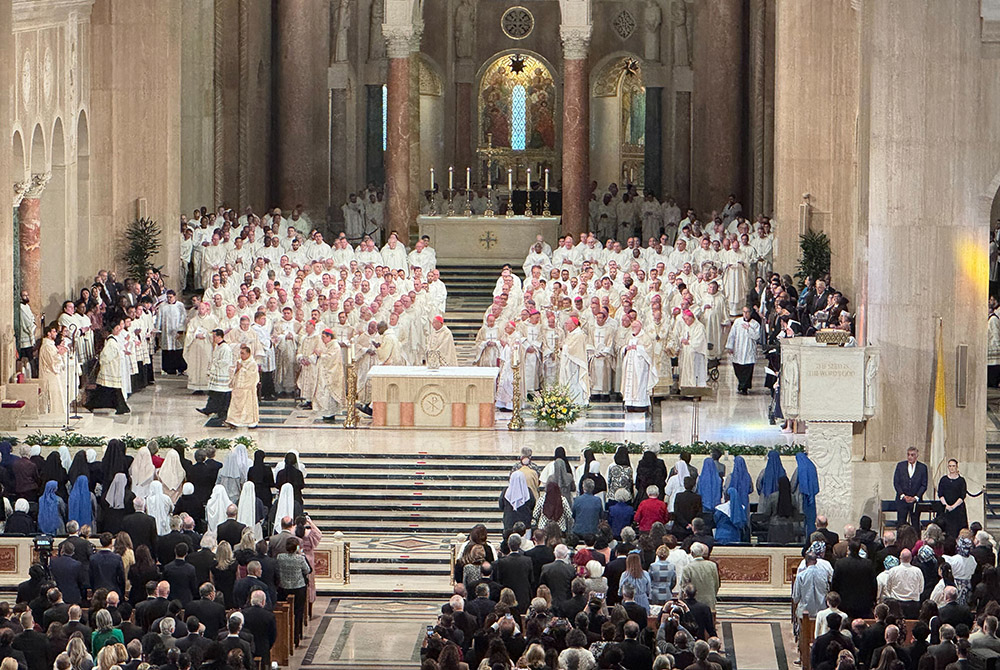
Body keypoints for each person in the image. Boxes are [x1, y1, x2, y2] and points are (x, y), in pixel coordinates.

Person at [84, 318, 129, 414]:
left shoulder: (112, 341)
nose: (119, 329)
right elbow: (105, 357)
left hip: (112, 369)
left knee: (108, 390)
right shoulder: (111, 342)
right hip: (109, 370)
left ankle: (93, 404)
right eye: (117, 328)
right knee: (108, 390)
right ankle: (119, 407)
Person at [275, 538, 311, 643]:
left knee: (284, 612)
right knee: (298, 612)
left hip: (284, 587)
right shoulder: (300, 558)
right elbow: (308, 570)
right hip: (298, 588)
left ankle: (285, 634)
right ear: (296, 547)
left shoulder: (280, 557)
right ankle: (297, 635)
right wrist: (301, 554)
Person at [199, 330, 233, 423]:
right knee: (214, 393)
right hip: (217, 373)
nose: (213, 338)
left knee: (221, 394)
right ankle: (209, 409)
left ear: (219, 337)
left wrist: (214, 364)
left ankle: (220, 412)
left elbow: (225, 361)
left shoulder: (225, 348)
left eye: (214, 336)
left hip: (222, 373)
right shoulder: (218, 346)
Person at [725, 306, 760, 395]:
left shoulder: (755, 324)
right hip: (739, 348)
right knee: (738, 367)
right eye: (744, 312)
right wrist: (730, 346)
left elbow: (756, 336)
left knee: (747, 369)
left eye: (747, 312)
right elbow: (732, 334)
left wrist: (749, 329)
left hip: (749, 349)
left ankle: (744, 387)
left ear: (750, 313)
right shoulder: (737, 322)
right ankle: (741, 383)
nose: (746, 314)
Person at [893, 447, 928, 529]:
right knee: (901, 524)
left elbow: (924, 485)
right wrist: (903, 496)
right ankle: (901, 541)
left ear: (917, 456)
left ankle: (916, 541)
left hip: (915, 502)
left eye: (912, 455)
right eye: (908, 455)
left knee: (915, 524)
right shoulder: (900, 466)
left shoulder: (922, 468)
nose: (910, 457)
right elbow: (896, 483)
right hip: (902, 501)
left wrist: (915, 497)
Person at [226, 346, 259, 429]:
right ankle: (233, 421)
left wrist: (242, 369)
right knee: (235, 405)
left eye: (243, 353)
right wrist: (237, 369)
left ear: (248, 353)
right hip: (238, 388)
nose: (241, 355)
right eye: (240, 353)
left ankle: (251, 423)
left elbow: (253, 375)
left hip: (247, 388)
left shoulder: (252, 363)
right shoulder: (239, 361)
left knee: (248, 407)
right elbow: (233, 371)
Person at [937, 459, 968, 538]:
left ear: (957, 467)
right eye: (950, 466)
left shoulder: (961, 481)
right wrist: (946, 505)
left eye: (953, 466)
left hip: (958, 509)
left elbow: (962, 495)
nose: (951, 468)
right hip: (945, 509)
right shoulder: (943, 480)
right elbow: (940, 494)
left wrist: (953, 506)